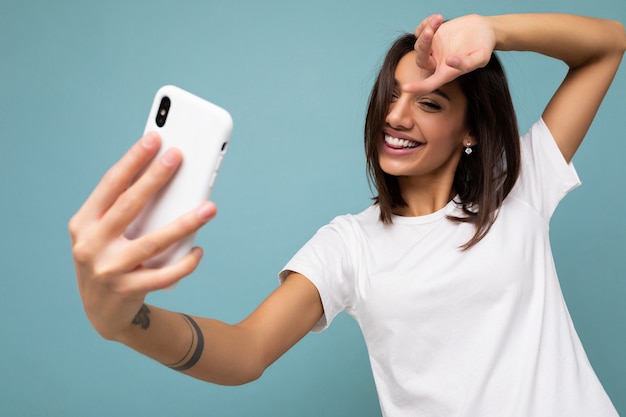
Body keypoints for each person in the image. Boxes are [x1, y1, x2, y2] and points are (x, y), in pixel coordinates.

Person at [69, 13, 625, 417]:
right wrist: (128, 323)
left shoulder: (519, 189)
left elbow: (608, 45)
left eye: (429, 102)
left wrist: (494, 31)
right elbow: (244, 352)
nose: (397, 116)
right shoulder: (349, 245)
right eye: (392, 95)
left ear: (473, 129)